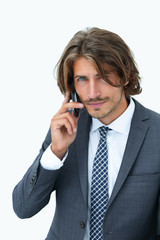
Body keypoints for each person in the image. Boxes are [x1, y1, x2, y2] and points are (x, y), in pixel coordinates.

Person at [12, 27, 160, 240]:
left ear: (126, 76)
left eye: (103, 77)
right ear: (71, 87)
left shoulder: (156, 133)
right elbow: (23, 208)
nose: (92, 93)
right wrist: (56, 152)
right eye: (82, 79)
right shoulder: (66, 129)